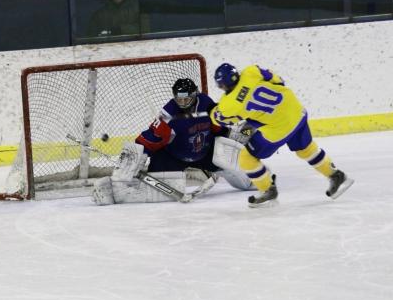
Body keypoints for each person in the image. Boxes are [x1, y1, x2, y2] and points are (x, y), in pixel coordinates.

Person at [210, 63, 354, 207]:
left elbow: (220, 119)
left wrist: (211, 110)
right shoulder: (251, 71)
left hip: (279, 127)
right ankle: (337, 176)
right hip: (295, 111)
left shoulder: (228, 104)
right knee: (305, 149)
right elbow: (278, 80)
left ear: (222, 85)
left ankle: (268, 191)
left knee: (246, 158)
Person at [92, 78, 253, 206]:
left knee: (232, 166)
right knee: (156, 186)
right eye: (179, 100)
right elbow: (150, 137)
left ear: (195, 95)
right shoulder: (168, 114)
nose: (182, 103)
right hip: (174, 156)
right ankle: (113, 192)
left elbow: (218, 125)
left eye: (186, 99)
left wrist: (229, 136)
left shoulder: (205, 103)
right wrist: (134, 159)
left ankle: (255, 179)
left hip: (204, 152)